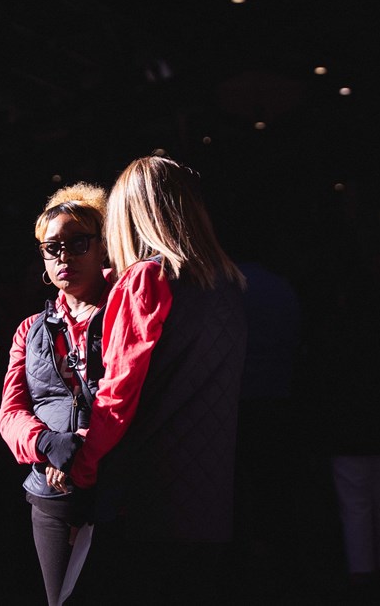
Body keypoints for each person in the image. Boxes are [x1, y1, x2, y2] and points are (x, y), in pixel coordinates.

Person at [66, 156, 248, 604]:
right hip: (210, 497)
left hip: (146, 499)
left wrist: (83, 470)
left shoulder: (146, 279)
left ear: (131, 214)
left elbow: (117, 393)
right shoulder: (226, 284)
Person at [0, 183, 114, 606]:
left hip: (115, 489)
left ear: (104, 247)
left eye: (78, 242)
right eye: (52, 247)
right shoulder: (29, 330)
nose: (64, 256)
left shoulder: (123, 312)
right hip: (51, 495)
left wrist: (80, 450)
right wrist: (46, 444)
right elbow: (9, 412)